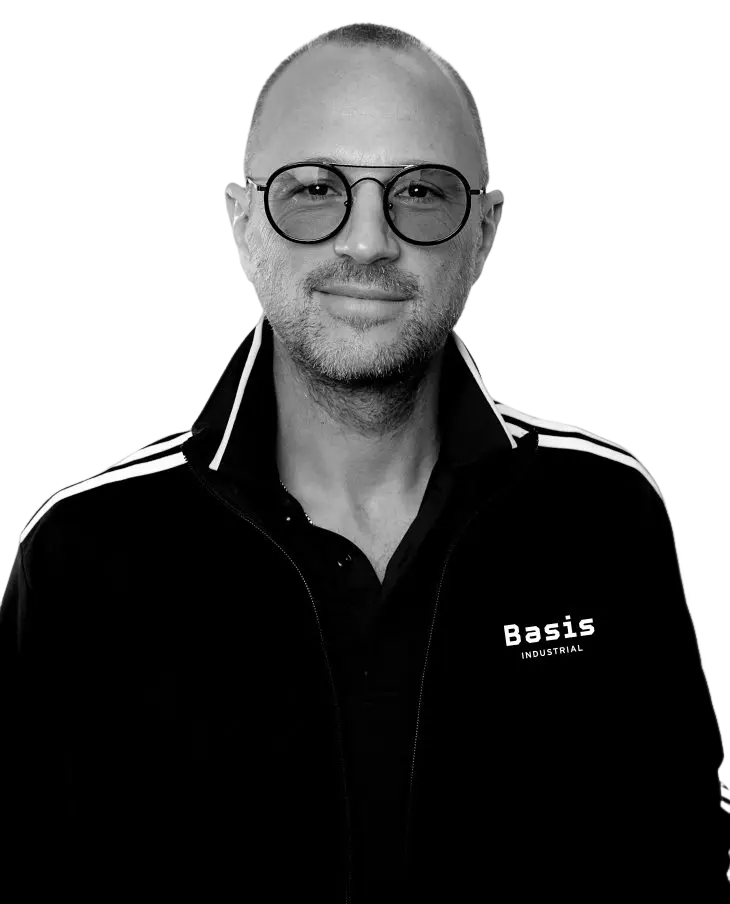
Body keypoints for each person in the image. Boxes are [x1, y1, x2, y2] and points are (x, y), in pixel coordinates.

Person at [2, 24, 726, 903]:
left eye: (420, 191)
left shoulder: (607, 518)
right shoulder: (84, 552)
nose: (368, 241)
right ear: (240, 220)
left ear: (484, 230)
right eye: (315, 189)